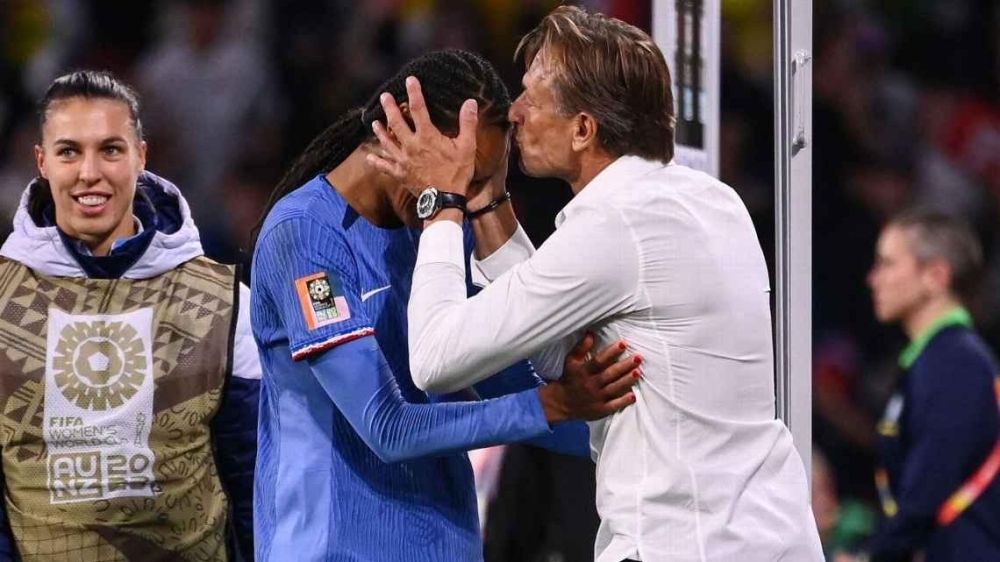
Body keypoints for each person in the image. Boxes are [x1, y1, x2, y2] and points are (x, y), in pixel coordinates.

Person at [367, 6, 824, 562]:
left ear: (584, 129)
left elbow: (436, 356)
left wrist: (443, 201)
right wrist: (488, 201)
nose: (514, 112)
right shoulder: (713, 200)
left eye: (533, 96)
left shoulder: (615, 227)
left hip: (681, 547)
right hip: (773, 537)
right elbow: (552, 330)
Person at [250, 49, 638, 562]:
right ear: (401, 131)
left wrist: (609, 405)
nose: (471, 201)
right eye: (468, 182)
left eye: (485, 185)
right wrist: (554, 404)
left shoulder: (441, 230)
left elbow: (511, 387)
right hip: (332, 549)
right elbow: (386, 426)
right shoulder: (303, 235)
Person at [0, 70, 259, 561]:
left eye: (111, 149)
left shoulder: (226, 300)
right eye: (69, 151)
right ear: (42, 163)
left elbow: (253, 484)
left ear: (142, 156)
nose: (89, 172)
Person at [865, 210, 1000, 562]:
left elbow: (926, 491)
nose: (873, 279)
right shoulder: (932, 360)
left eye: (887, 264)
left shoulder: (957, 364)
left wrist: (873, 556)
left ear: (936, 277)